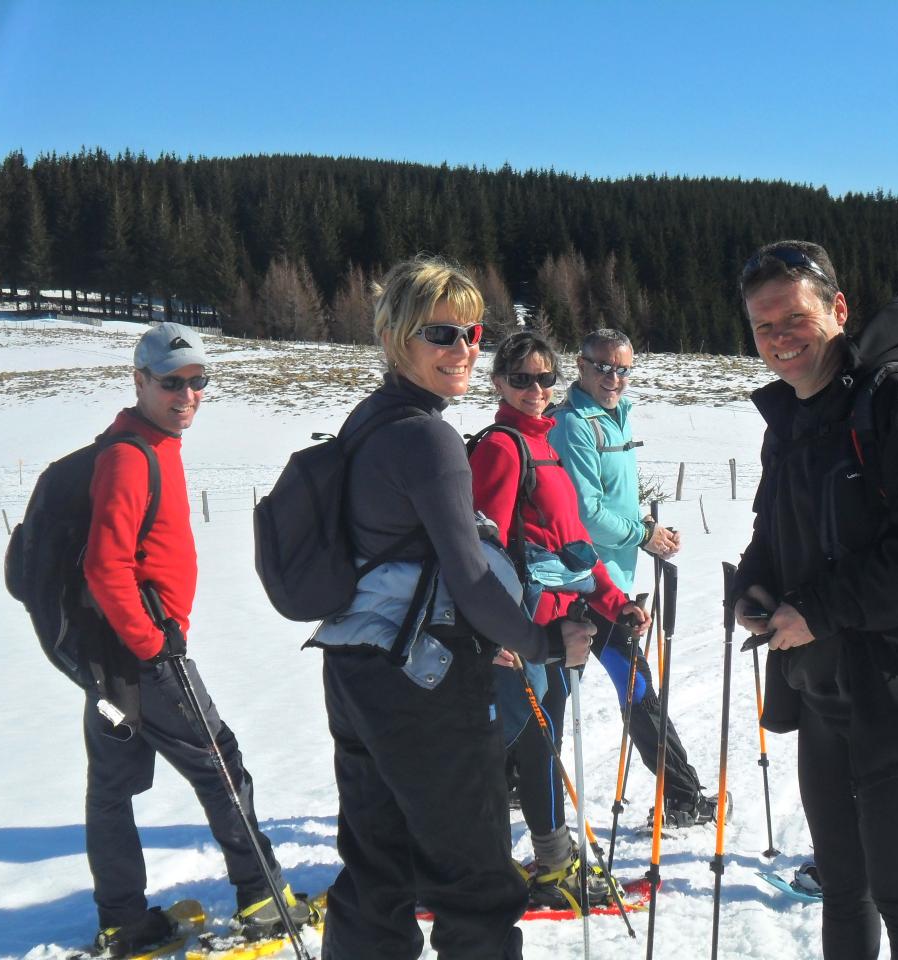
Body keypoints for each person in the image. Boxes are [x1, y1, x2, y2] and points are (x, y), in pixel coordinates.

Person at [307, 257, 595, 960]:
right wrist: (543, 642)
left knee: (378, 871)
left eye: (471, 332)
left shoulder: (369, 422)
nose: (464, 348)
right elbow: (468, 579)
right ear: (398, 335)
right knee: (474, 882)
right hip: (423, 677)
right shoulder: (428, 437)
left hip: (356, 668)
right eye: (443, 333)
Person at [732, 240, 898, 960]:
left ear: (837, 309)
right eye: (764, 326)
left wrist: (818, 610)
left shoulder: (897, 402)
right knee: (843, 891)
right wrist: (752, 587)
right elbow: (772, 534)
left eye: (794, 317)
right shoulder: (790, 420)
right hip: (823, 691)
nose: (781, 339)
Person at [82, 322, 314, 956]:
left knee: (111, 788)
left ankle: (123, 920)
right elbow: (105, 567)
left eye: (198, 381)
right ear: (139, 381)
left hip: (108, 663)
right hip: (145, 658)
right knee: (220, 764)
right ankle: (263, 898)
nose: (187, 395)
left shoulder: (145, 443)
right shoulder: (130, 457)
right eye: (171, 383)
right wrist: (154, 646)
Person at [469, 329, 651, 910]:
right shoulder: (501, 447)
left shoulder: (543, 445)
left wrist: (611, 598)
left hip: (553, 628)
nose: (536, 389)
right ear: (498, 383)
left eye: (544, 378)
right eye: (521, 378)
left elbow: (573, 544)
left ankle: (550, 862)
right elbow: (481, 552)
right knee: (513, 743)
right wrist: (493, 630)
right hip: (519, 630)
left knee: (540, 741)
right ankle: (467, 861)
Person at [549, 328, 722, 827]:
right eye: (603, 366)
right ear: (580, 366)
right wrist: (645, 533)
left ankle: (520, 782)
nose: (613, 377)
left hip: (609, 582)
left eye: (622, 368)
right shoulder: (575, 424)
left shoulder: (615, 416)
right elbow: (585, 514)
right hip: (582, 583)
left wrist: (645, 534)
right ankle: (683, 797)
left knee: (562, 689)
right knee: (633, 690)